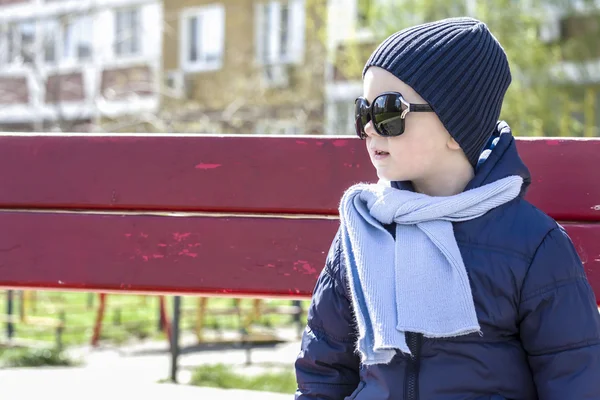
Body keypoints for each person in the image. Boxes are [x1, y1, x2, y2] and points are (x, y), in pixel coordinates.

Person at [294, 17, 600, 400]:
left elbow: (574, 378)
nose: (370, 128)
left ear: (457, 128)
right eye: (364, 112)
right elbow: (324, 373)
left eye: (389, 112)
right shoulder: (364, 229)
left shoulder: (533, 245)